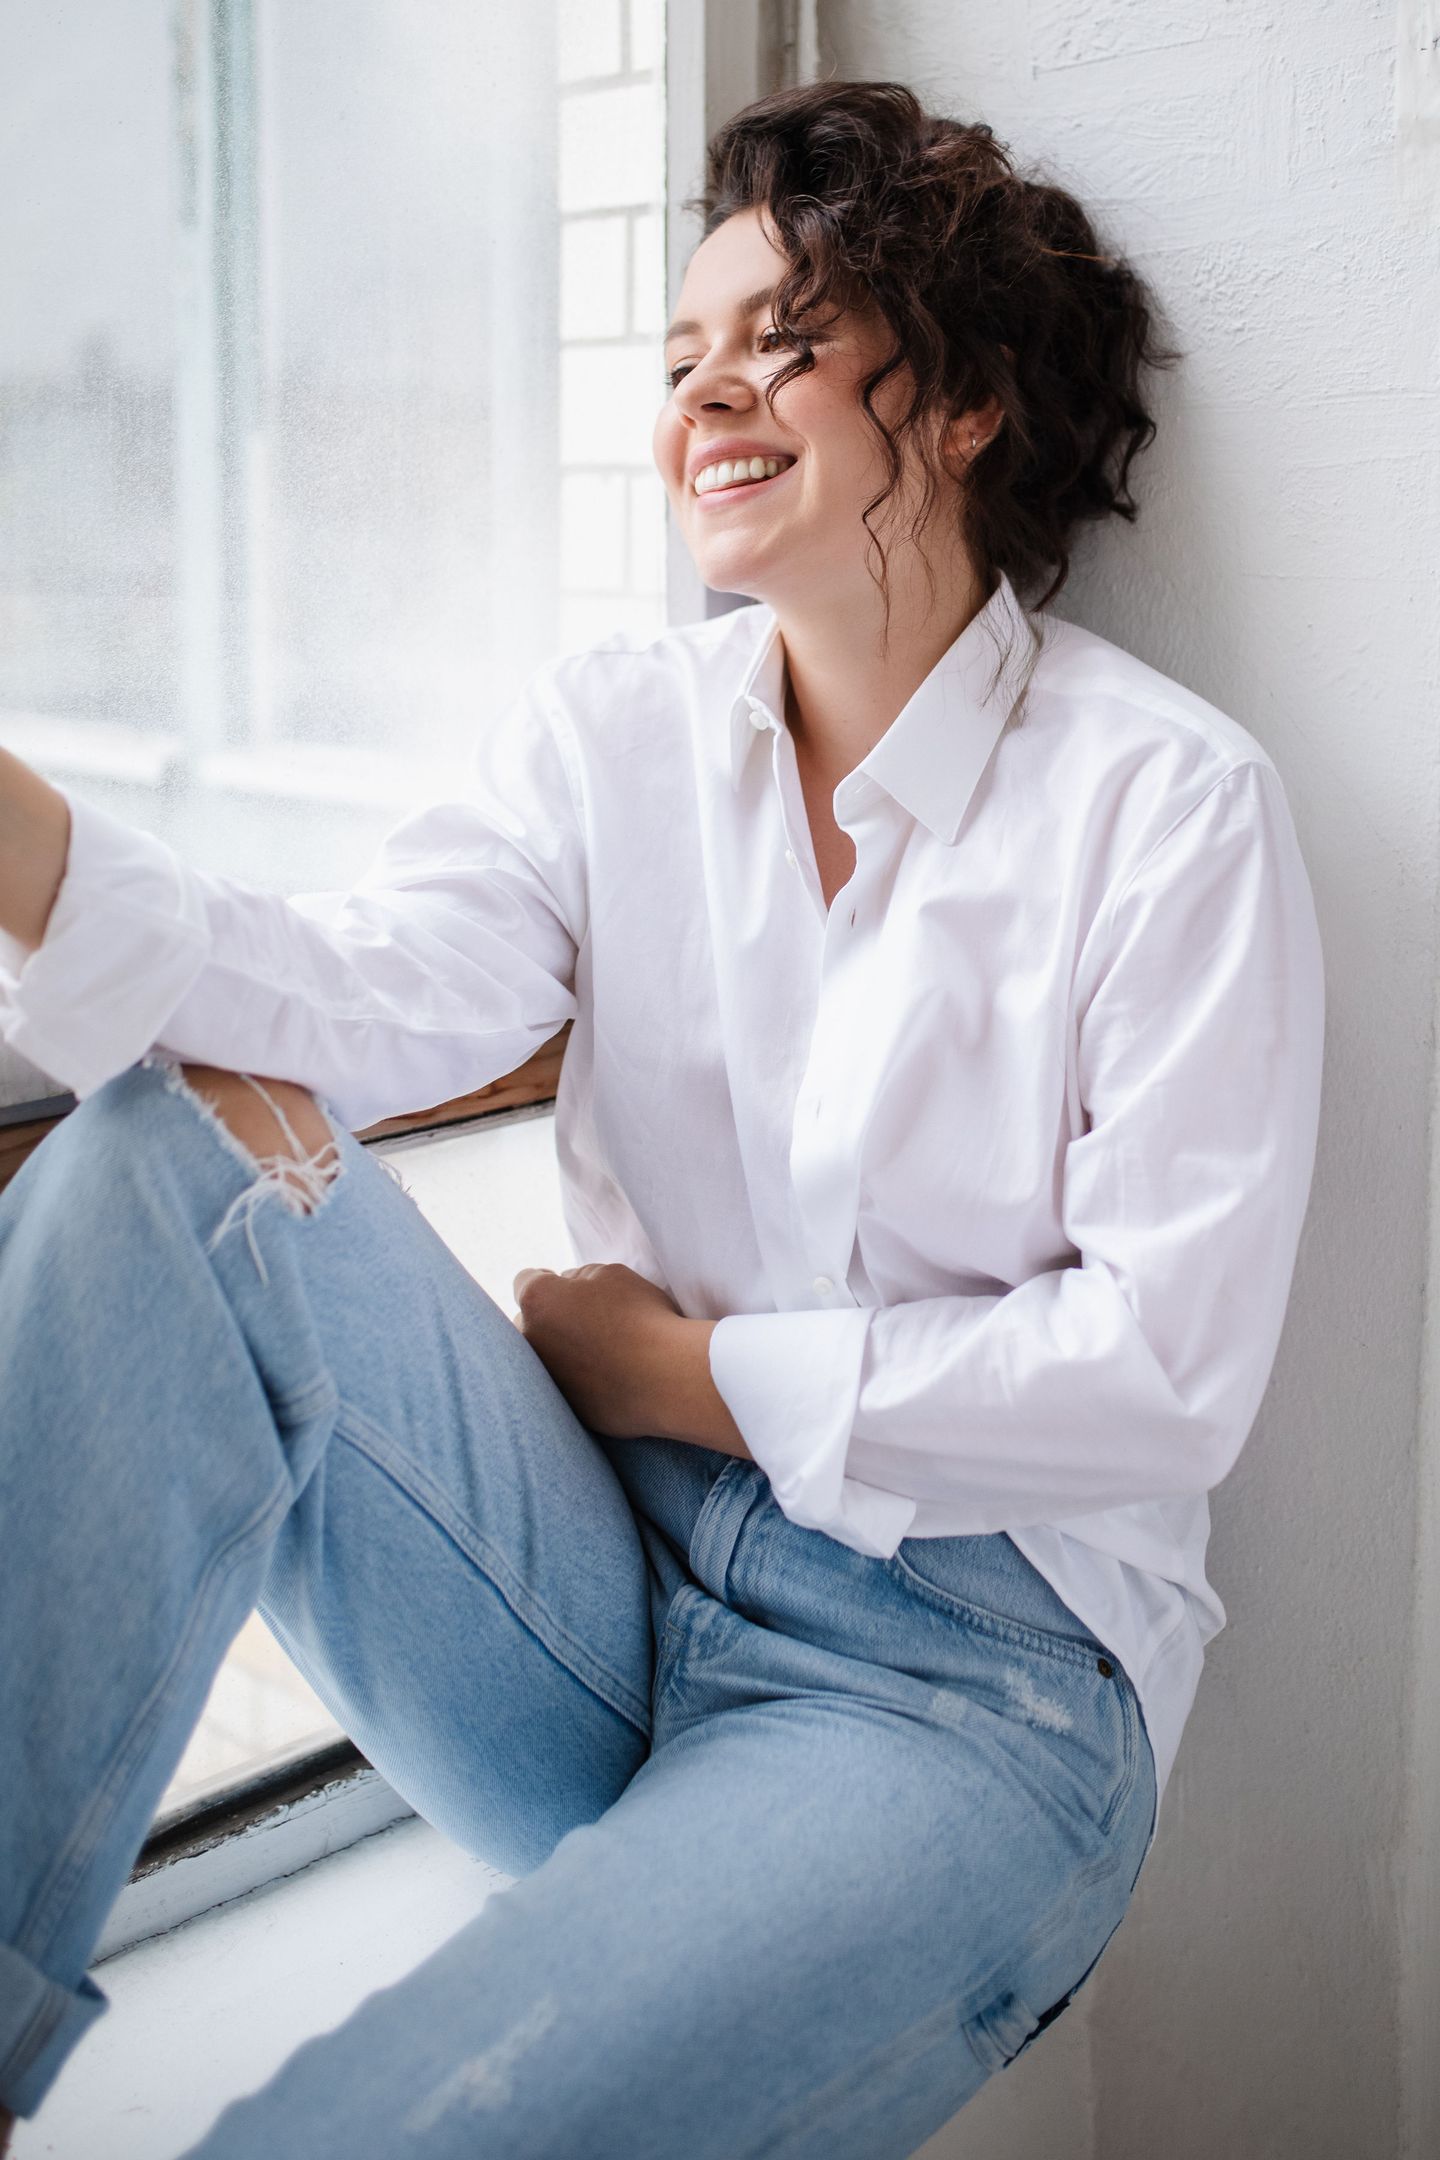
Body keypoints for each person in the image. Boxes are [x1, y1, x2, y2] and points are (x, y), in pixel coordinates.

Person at [0, 78, 1323, 2160]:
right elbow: (348, 995)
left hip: (964, 1689)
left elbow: (1162, 1378)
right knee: (178, 1168)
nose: (704, 393)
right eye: (682, 354)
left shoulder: (1168, 811)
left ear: (966, 403)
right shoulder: (607, 737)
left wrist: (687, 1377)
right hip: (595, 1591)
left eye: (781, 342)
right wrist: (20, 842)